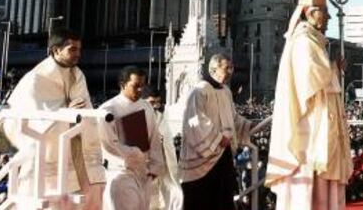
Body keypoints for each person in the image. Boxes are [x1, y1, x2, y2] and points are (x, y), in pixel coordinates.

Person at [265, 0, 353, 210]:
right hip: (310, 124)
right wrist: (331, 69)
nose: (328, 17)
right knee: (311, 174)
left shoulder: (314, 40)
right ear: (308, 12)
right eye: (324, 12)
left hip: (320, 118)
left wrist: (334, 67)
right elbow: (310, 80)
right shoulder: (303, 41)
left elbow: (320, 74)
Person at [3, 28, 105, 209]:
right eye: (72, 49)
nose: (78, 54)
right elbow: (31, 121)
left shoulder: (77, 74)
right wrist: (65, 113)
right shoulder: (36, 79)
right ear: (56, 50)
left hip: (75, 157)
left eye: (79, 50)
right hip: (46, 160)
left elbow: (86, 111)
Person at [179, 53, 254, 210]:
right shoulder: (199, 91)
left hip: (222, 155)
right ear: (213, 69)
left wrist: (247, 126)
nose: (230, 71)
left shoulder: (226, 91)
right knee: (203, 201)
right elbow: (194, 121)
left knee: (223, 199)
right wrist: (218, 138)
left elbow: (232, 118)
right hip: (202, 158)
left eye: (231, 68)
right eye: (226, 68)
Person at [98, 66, 165, 210]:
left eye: (142, 86)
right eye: (136, 86)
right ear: (122, 84)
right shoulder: (107, 110)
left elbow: (154, 138)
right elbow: (109, 144)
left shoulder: (146, 107)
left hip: (144, 173)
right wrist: (135, 154)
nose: (141, 90)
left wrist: (154, 167)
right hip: (121, 171)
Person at [143, 87, 183, 210]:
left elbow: (168, 145)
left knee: (176, 196)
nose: (155, 106)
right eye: (152, 102)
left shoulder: (161, 117)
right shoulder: (135, 119)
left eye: (158, 102)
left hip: (164, 169)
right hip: (145, 170)